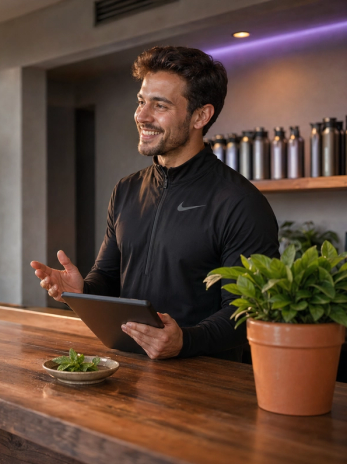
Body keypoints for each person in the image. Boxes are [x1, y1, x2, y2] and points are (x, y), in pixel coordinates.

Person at [31, 46, 278, 362]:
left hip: (207, 388)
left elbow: (246, 313)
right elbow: (107, 277)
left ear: (201, 116)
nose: (141, 115)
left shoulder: (240, 202)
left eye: (159, 105)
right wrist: (82, 292)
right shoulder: (126, 190)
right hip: (126, 374)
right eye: (141, 101)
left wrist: (184, 341)